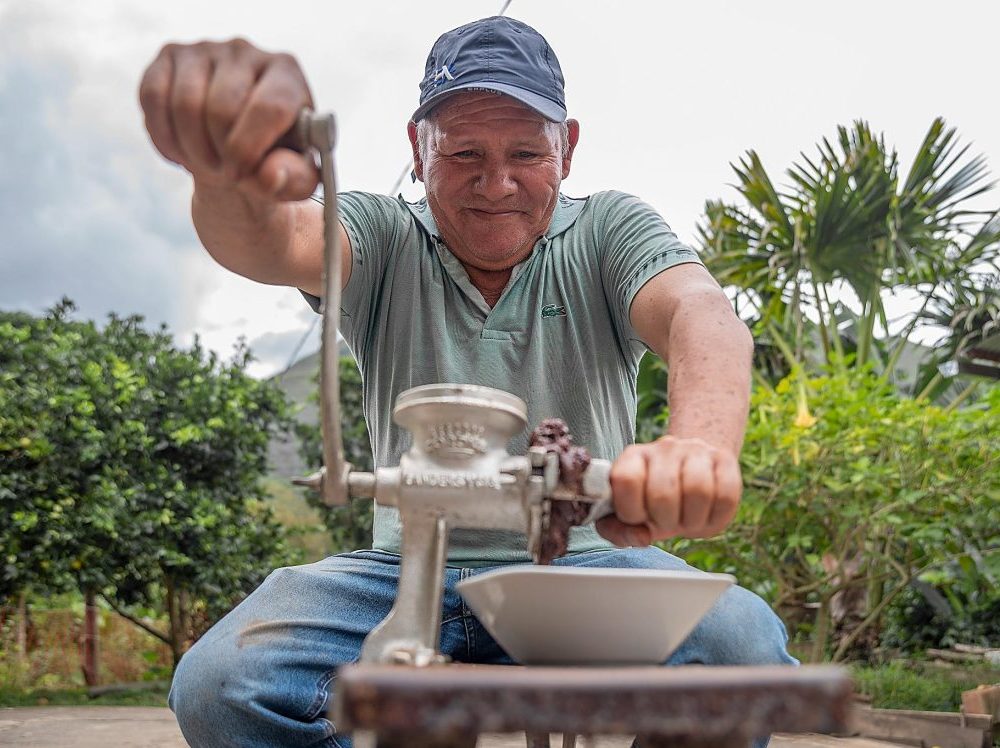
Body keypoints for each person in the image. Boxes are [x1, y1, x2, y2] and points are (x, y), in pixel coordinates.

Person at [140, 16, 796, 748]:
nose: (497, 182)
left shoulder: (611, 230)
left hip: (589, 567)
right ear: (417, 152)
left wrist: (698, 446)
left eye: (525, 152)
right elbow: (277, 237)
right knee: (220, 686)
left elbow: (700, 314)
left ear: (567, 149)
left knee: (743, 652)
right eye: (464, 154)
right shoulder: (383, 234)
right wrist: (227, 169)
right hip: (399, 570)